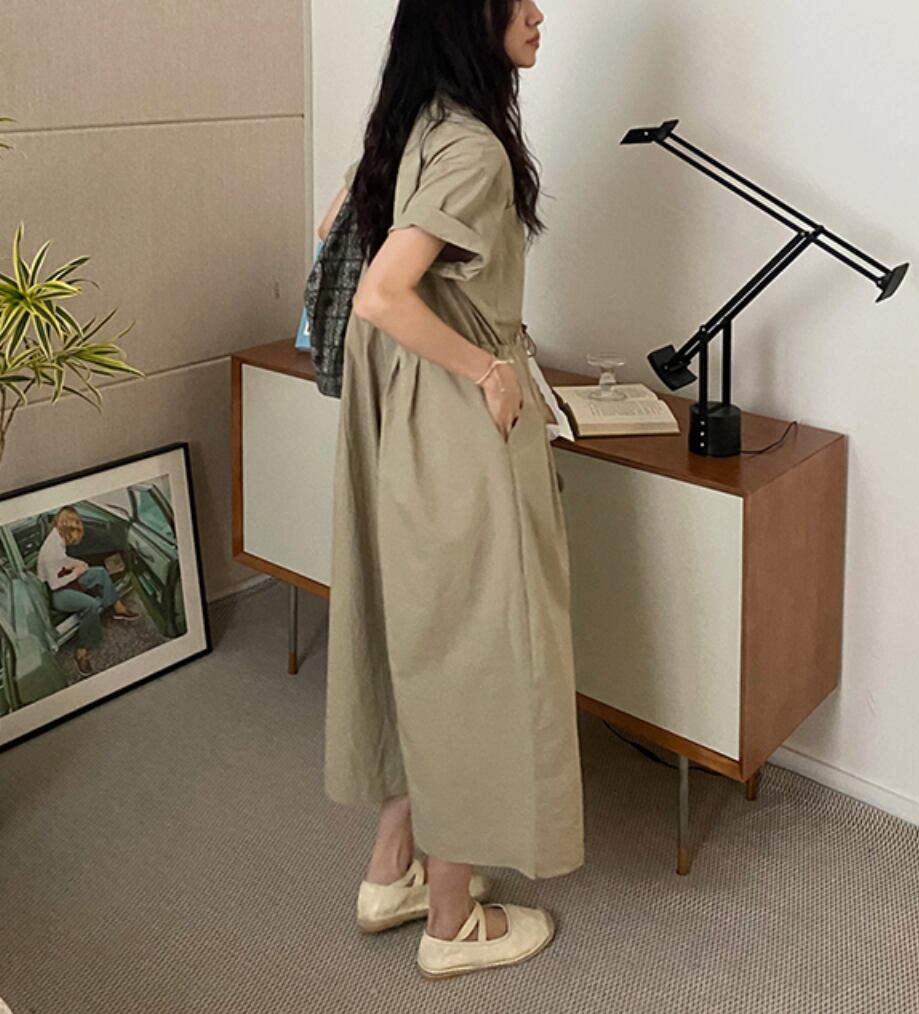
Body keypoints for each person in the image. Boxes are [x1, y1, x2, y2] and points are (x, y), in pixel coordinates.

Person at [321, 0, 584, 979]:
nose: (538, 12)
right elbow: (383, 292)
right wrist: (488, 367)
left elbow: (337, 231)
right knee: (477, 651)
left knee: (427, 638)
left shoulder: (416, 125)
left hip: (401, 421)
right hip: (456, 426)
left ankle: (390, 871)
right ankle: (449, 922)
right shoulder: (472, 149)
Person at [36, 506, 139, 677]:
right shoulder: (50, 550)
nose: (75, 539)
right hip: (55, 592)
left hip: (65, 577)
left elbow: (62, 560)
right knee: (90, 605)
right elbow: (54, 584)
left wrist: (76, 563)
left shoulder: (57, 537)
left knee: (100, 572)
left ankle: (118, 608)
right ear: (67, 529)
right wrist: (77, 572)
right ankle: (81, 652)